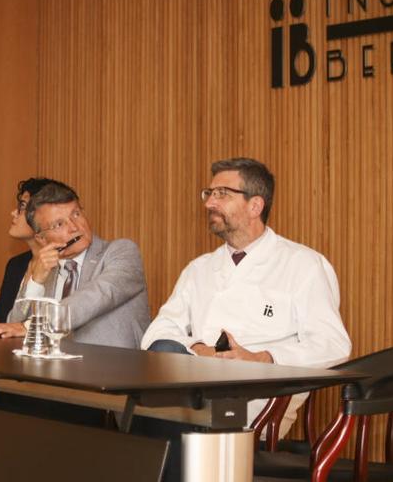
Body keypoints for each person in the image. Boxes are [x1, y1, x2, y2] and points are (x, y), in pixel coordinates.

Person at [141, 157, 351, 435]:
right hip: (193, 387)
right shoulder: (199, 268)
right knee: (155, 376)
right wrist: (198, 349)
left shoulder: (303, 264)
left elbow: (333, 345)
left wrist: (262, 358)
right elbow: (157, 332)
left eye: (222, 194)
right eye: (209, 193)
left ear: (255, 205)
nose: (209, 203)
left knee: (159, 425)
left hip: (258, 400)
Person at [0, 180, 151, 349]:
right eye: (59, 224)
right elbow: (12, 327)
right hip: (55, 371)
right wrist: (35, 281)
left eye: (76, 214)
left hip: (113, 369)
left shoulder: (121, 252)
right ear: (41, 238)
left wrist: (31, 325)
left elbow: (96, 296)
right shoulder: (49, 269)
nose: (74, 227)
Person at [0, 178, 69, 325]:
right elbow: (0, 323)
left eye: (22, 206)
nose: (13, 213)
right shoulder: (16, 264)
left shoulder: (65, 263)